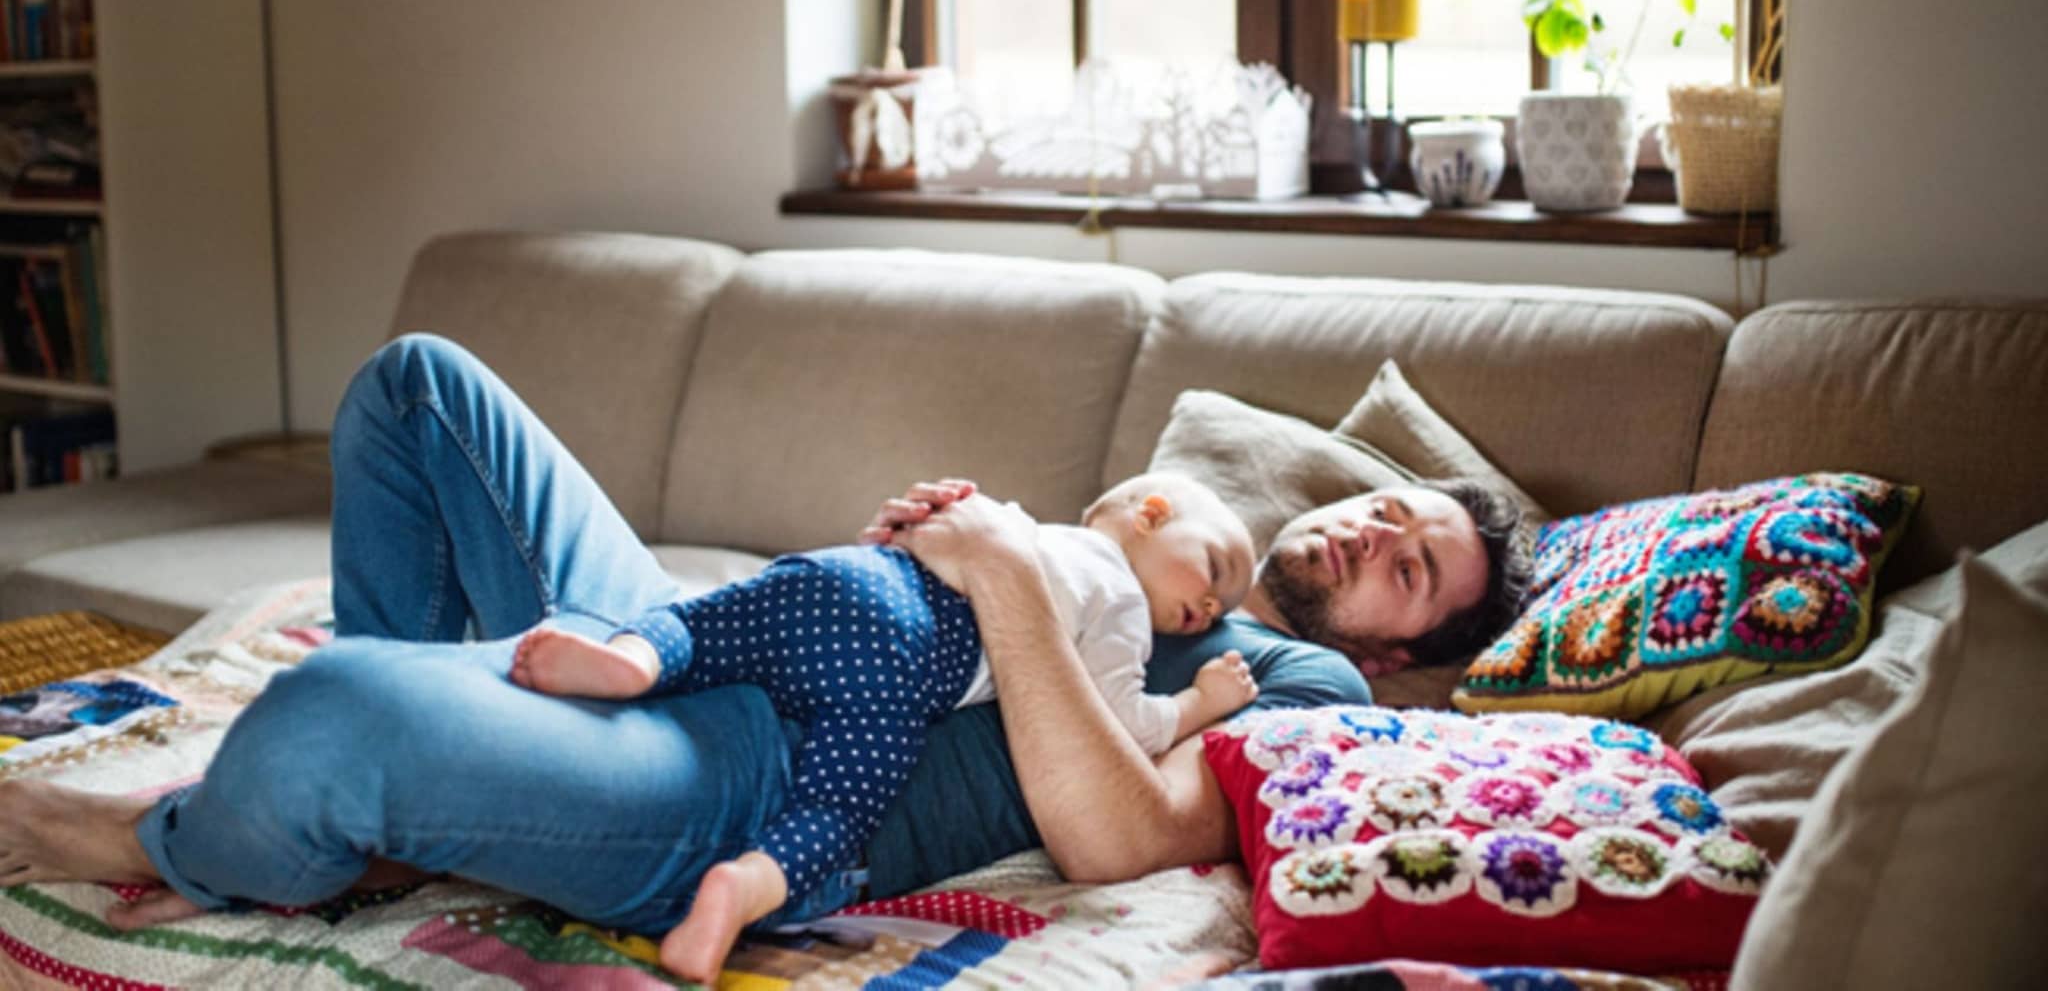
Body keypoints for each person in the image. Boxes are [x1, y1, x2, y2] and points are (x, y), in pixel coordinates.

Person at [0, 334, 1528, 969]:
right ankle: (438, 757)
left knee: (328, 710)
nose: (1366, 539)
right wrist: (924, 549)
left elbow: (1121, 832)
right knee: (419, 386)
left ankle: (210, 832)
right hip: (702, 632)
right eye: (1384, 508)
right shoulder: (1141, 541)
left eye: (1410, 573)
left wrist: (995, 573)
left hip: (747, 780)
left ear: (1407, 657)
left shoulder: (1304, 689)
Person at [507, 470, 1261, 977]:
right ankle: (744, 889)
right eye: (1215, 570)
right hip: (902, 663)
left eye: (1223, 609)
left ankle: (633, 661)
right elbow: (1123, 725)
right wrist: (1199, 704)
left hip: (851, 578)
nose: (1211, 609)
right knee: (839, 805)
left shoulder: (1011, 520)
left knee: (706, 622)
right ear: (1151, 514)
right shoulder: (1122, 604)